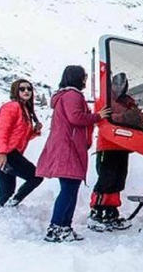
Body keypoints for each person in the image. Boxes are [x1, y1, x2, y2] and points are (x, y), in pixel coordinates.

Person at [36, 65, 110, 243]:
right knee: (68, 189)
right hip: (68, 148)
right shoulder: (73, 95)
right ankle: (56, 227)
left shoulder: (65, 95)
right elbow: (76, 117)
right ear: (77, 78)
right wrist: (98, 116)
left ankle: (64, 227)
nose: (85, 80)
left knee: (70, 188)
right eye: (84, 77)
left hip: (66, 146)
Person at [88, 72, 143, 232]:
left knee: (118, 180)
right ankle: (96, 212)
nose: (119, 86)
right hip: (107, 145)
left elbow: (141, 118)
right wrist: (126, 117)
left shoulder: (128, 100)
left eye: (122, 83)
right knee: (105, 180)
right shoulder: (106, 99)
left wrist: (136, 117)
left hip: (123, 146)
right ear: (111, 84)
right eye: (116, 83)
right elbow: (105, 119)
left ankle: (111, 213)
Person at [0, 79, 44, 214]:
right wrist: (1, 153)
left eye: (29, 89)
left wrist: (34, 131)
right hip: (5, 155)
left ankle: (0, 217)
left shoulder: (24, 109)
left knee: (6, 194)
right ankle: (11, 205)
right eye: (22, 89)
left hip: (3, 154)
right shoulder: (12, 107)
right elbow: (1, 131)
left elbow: (18, 136)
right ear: (16, 91)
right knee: (36, 176)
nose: (26, 91)